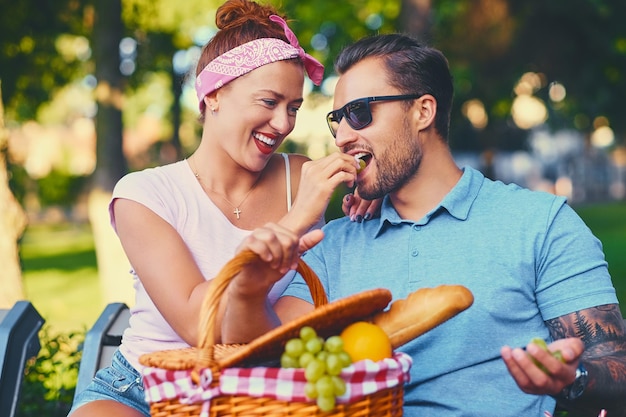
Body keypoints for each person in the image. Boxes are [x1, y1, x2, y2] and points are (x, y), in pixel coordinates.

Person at [221, 33, 626, 416]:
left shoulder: (540, 223)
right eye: (337, 119)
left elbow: (613, 363)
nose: (342, 136)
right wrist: (254, 281)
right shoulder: (331, 242)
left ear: (423, 111)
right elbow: (273, 355)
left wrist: (571, 379)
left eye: (359, 113)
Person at [67, 0, 378, 415]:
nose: (284, 124)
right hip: (141, 390)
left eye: (293, 108)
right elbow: (200, 325)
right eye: (268, 102)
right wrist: (298, 216)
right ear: (213, 95)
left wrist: (370, 193)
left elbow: (375, 184)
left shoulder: (301, 177)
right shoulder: (145, 194)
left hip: (256, 394)